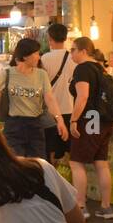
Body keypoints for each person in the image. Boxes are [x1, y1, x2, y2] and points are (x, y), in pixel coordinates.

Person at [0, 37, 68, 159]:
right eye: (36, 53)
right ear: (26, 56)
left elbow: (50, 99)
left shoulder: (41, 74)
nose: (39, 57)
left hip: (35, 125)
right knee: (16, 164)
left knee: (37, 164)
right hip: (13, 125)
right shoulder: (6, 74)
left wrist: (60, 120)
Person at [68, 36, 113, 219]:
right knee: (101, 163)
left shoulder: (83, 68)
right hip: (104, 120)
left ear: (83, 51)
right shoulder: (101, 68)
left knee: (76, 162)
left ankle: (80, 207)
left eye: (73, 50)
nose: (71, 53)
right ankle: (106, 207)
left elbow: (83, 96)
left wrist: (73, 120)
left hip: (89, 118)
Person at [41, 22, 76, 163]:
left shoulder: (44, 59)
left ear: (49, 38)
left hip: (51, 112)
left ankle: (53, 182)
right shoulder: (74, 58)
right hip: (71, 109)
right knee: (70, 153)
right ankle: (68, 183)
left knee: (51, 152)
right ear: (65, 37)